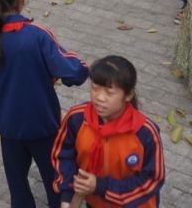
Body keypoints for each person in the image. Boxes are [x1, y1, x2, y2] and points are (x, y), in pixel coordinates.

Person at [0, 0, 88, 208]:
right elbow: (75, 73)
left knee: (18, 187)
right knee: (56, 185)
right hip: (44, 129)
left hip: (7, 129)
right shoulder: (37, 36)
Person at [51, 55, 165, 208]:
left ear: (128, 95)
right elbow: (62, 155)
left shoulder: (144, 132)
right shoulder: (77, 119)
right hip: (94, 202)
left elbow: (152, 179)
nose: (100, 98)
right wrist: (67, 195)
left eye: (109, 93)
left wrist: (101, 186)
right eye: (95, 88)